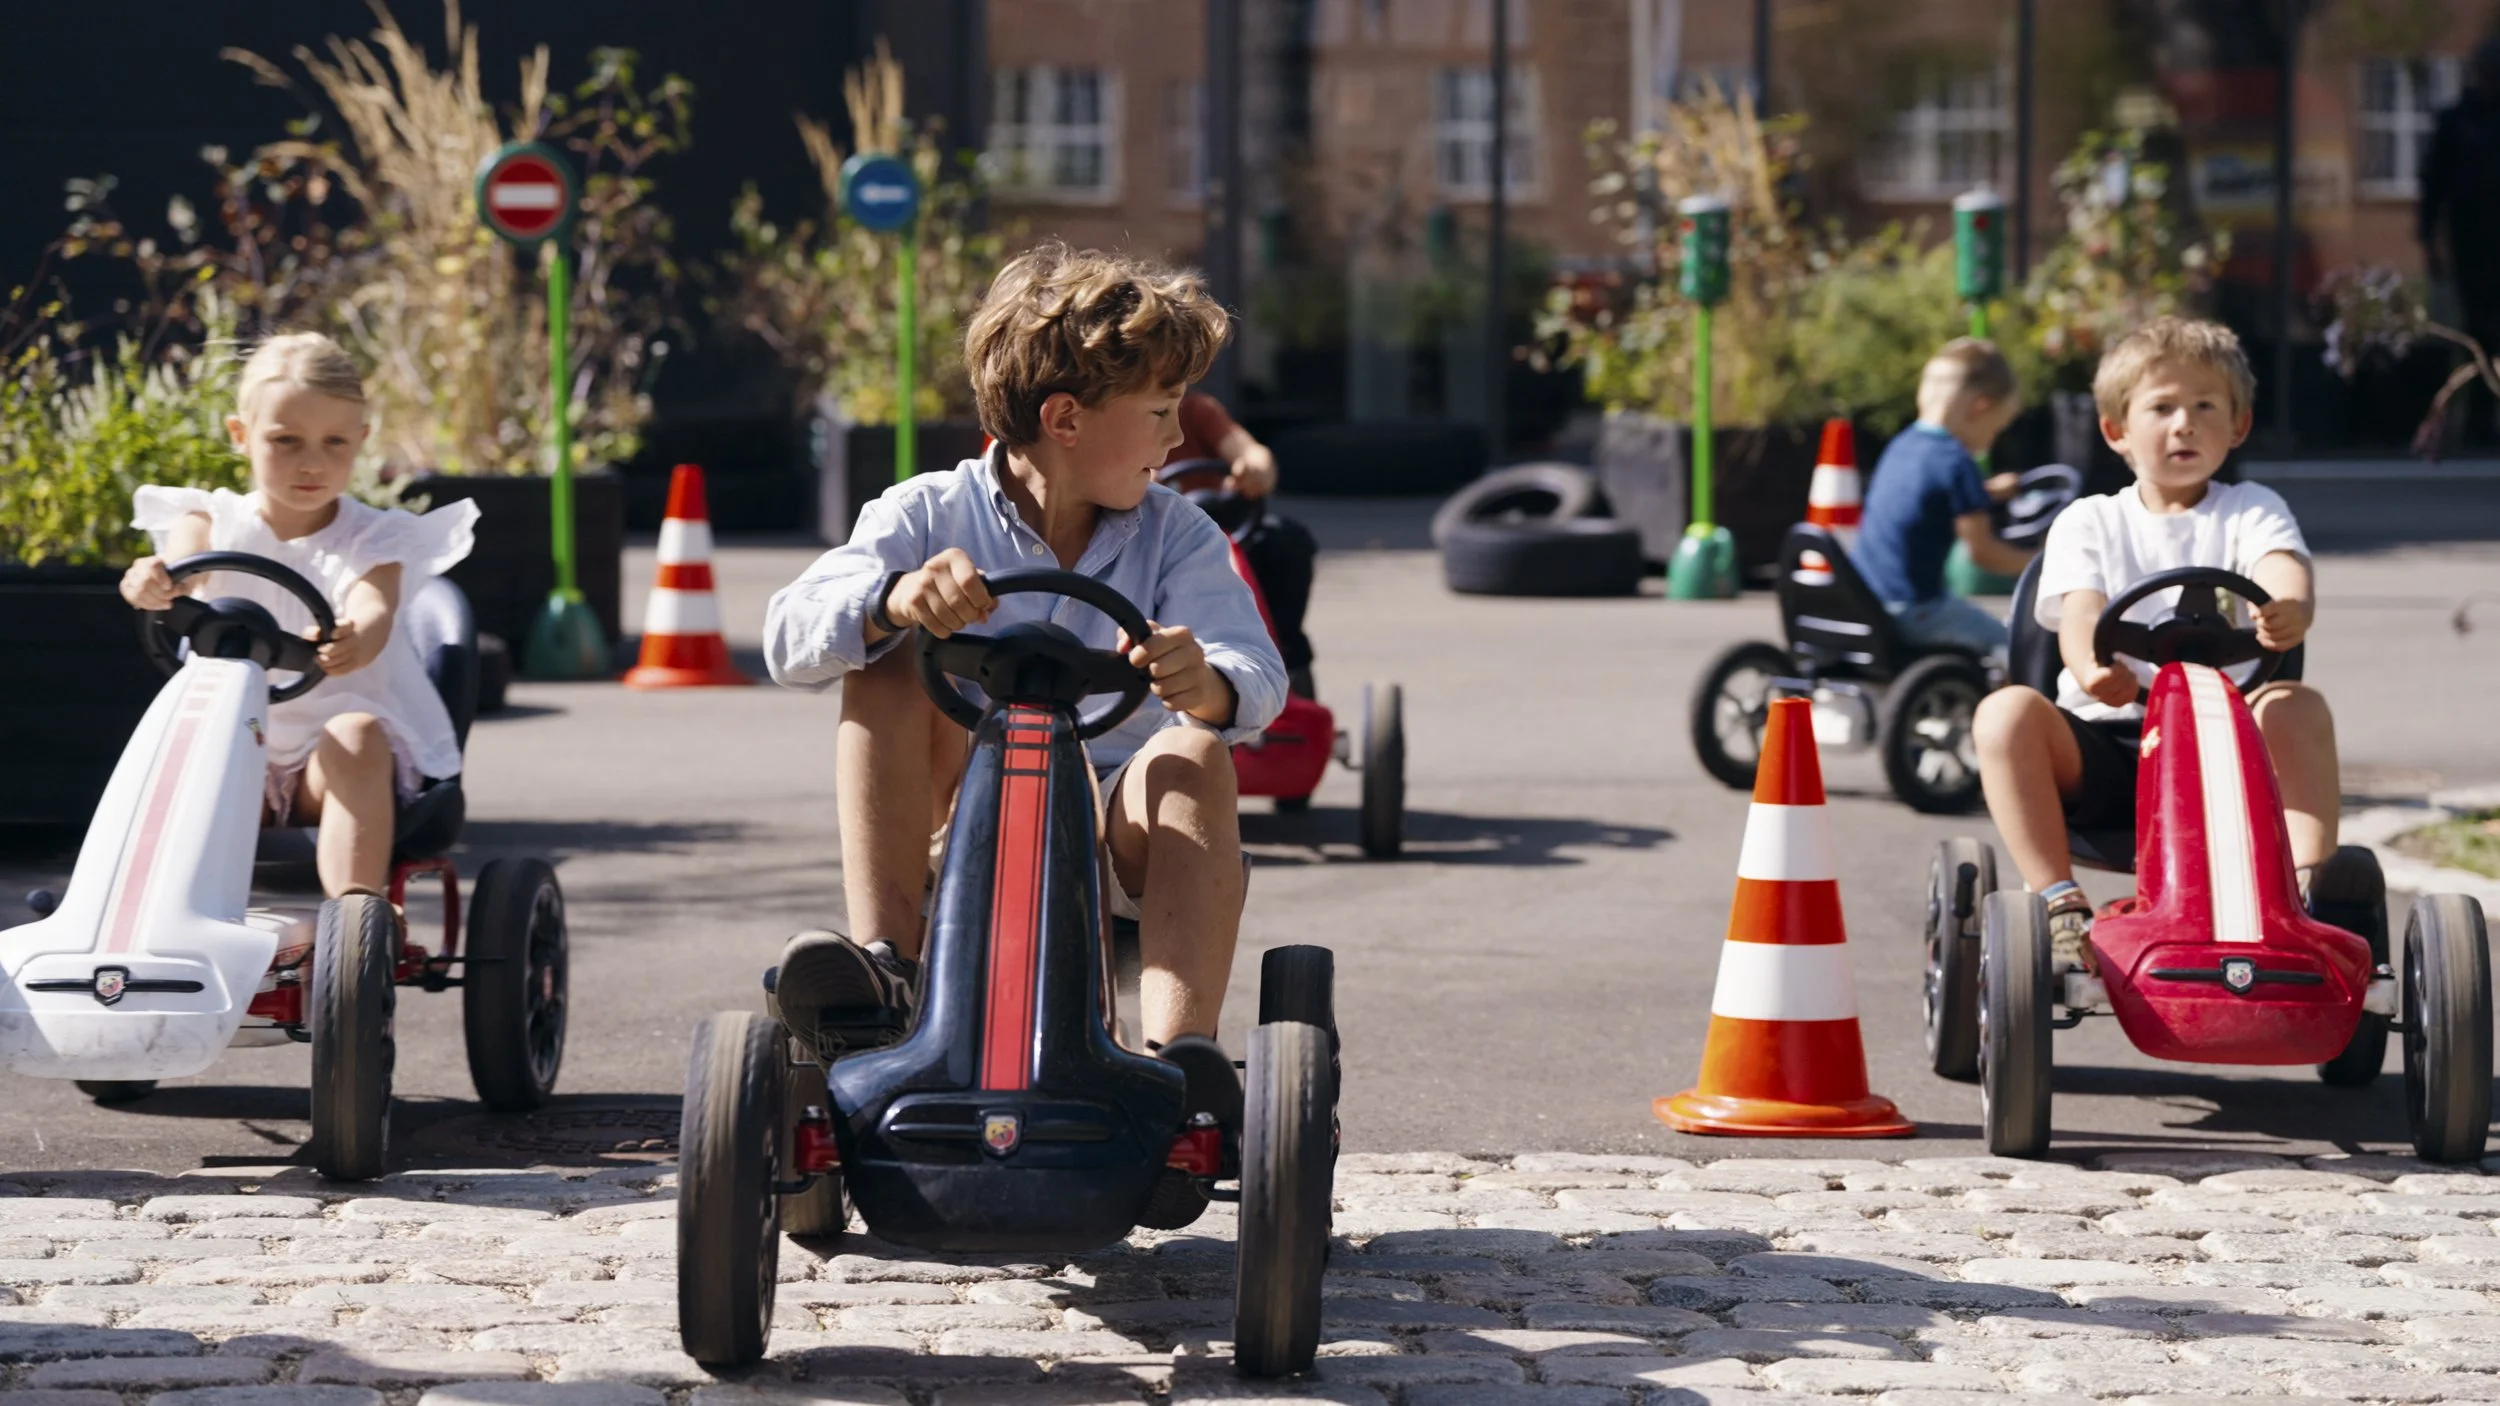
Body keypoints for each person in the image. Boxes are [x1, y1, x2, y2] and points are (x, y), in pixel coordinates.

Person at [762, 242, 1286, 1091]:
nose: (1178, 434)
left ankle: (1178, 1066)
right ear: (1066, 419)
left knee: (1194, 753)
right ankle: (888, 965)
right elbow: (787, 635)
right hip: (954, 818)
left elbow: (1257, 672)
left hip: (1115, 829)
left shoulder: (1177, 533)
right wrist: (893, 598)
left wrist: (1209, 681)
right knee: (884, 666)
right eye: (1160, 412)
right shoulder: (926, 512)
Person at [1971, 316, 2334, 972]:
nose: (2184, 424)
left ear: (2238, 425)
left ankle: (2310, 896)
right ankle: (2057, 902)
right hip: (2109, 751)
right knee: (2004, 714)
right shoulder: (2092, 521)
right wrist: (2089, 665)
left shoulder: (2251, 508)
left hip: (2230, 751)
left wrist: (2289, 607)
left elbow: (2282, 564)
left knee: (2297, 705)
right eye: (2162, 408)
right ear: (2117, 431)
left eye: (2204, 407)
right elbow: (2080, 609)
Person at [119, 332, 479, 903]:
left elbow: (373, 606)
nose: (312, 463)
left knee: (355, 733)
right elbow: (177, 571)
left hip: (335, 764)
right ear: (241, 436)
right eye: (286, 440)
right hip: (239, 749)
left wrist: (355, 636)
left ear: (361, 441)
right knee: (190, 746)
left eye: (335, 442)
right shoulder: (211, 520)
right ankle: (160, 917)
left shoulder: (374, 539)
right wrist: (152, 581)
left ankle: (359, 918)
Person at [1849, 337, 2033, 657]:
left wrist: (1988, 490)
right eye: (1997, 427)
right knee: (2013, 647)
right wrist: (2039, 561)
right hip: (1917, 610)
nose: (1994, 438)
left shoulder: (1904, 444)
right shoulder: (1957, 463)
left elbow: (1927, 498)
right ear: (1980, 408)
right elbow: (1983, 553)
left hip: (1864, 599)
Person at [1165, 390, 1321, 697]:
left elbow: (1249, 451)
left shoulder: (1193, 409)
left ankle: (1286, 657)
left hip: (1215, 532)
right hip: (1152, 542)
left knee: (1284, 539)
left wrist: (1254, 468)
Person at [2420, 37, 2500, 437]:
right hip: (2473, 242)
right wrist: (2429, 239)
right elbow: (2433, 185)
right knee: (2477, 333)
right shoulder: (2458, 123)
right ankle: (2478, 421)